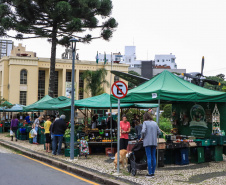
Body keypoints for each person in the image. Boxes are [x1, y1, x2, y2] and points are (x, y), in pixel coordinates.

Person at [140, 112, 161, 178]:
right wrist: (154, 135)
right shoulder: (155, 123)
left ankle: (149, 173)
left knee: (148, 157)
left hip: (147, 142)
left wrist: (142, 137)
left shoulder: (145, 123)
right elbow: (159, 132)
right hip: (154, 142)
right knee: (153, 157)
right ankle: (153, 172)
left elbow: (143, 131)